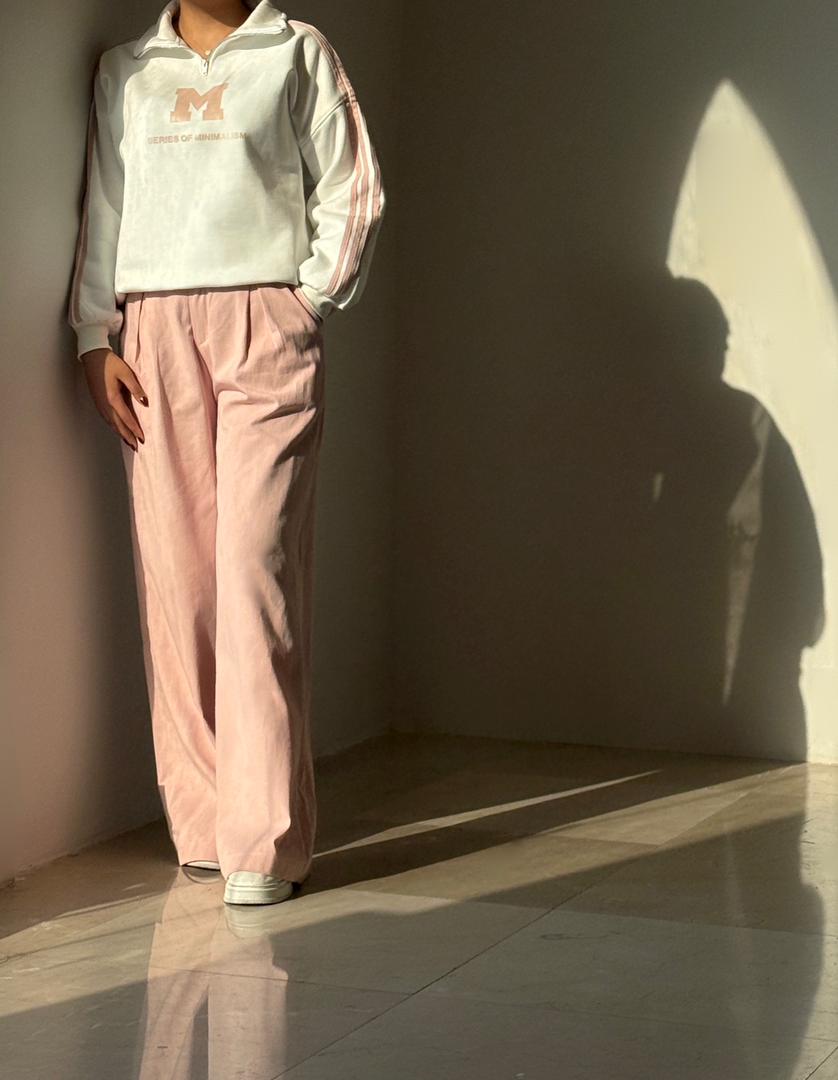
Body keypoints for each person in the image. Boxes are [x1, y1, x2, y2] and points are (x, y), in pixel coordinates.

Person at [66, 0, 386, 905]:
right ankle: (205, 824)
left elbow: (353, 189)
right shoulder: (126, 68)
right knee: (179, 582)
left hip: (266, 326)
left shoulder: (296, 52)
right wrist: (93, 335)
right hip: (151, 333)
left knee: (255, 569)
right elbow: (105, 203)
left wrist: (306, 300)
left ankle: (264, 842)